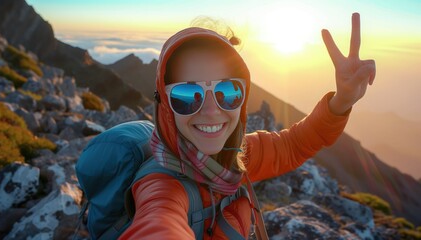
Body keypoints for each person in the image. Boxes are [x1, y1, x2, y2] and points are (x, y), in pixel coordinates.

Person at [119, 12, 376, 239]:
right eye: (187, 95)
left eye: (227, 91)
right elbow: (158, 223)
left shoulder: (237, 157)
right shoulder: (161, 186)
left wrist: (342, 100)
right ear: (164, 104)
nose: (211, 111)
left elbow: (295, 144)